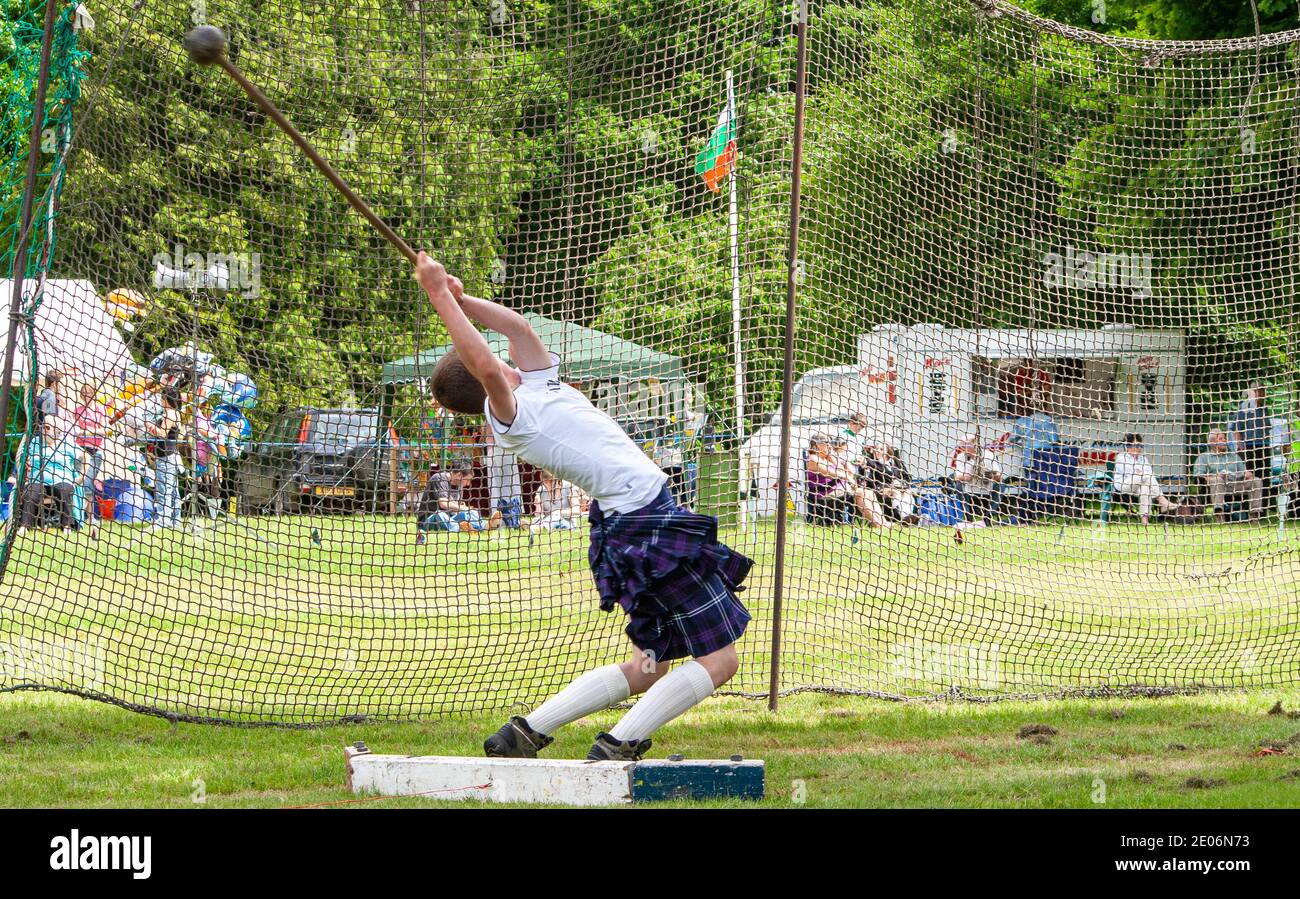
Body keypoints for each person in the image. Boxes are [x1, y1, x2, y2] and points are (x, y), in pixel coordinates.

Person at [415, 254, 752, 762]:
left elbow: (518, 327)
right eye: (491, 365)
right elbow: (485, 363)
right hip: (644, 521)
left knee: (649, 665)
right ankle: (618, 746)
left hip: (636, 520)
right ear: (486, 382)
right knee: (720, 660)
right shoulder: (513, 417)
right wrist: (439, 296)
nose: (504, 359)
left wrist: (462, 298)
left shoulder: (539, 384)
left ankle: (522, 735)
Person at [806, 434, 889, 527]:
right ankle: (877, 524)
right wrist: (847, 477)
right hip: (823, 495)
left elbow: (844, 470)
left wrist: (832, 457)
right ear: (817, 445)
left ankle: (883, 522)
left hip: (836, 490)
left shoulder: (827, 458)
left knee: (869, 493)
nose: (830, 446)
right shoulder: (813, 459)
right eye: (827, 443)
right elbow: (831, 473)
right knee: (860, 494)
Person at [10, 422, 79, 534]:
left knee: (64, 490)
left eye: (47, 427)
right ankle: (24, 526)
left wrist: (79, 478)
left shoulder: (67, 443)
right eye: (42, 427)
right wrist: (25, 462)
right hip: (37, 479)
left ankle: (66, 526)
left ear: (57, 430)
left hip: (61, 479)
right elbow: (24, 457)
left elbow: (85, 457)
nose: (43, 429)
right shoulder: (35, 442)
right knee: (29, 493)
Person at [416, 460, 502, 537]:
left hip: (450, 518)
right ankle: (461, 528)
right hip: (428, 520)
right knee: (440, 514)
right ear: (459, 475)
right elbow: (443, 503)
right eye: (467, 480)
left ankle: (485, 526)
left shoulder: (459, 485)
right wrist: (463, 508)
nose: (468, 484)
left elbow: (456, 509)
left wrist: (467, 511)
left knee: (469, 512)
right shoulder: (438, 478)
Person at [1193, 428, 1262, 523]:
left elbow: (1245, 471)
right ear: (1212, 443)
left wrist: (1247, 473)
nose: (1225, 440)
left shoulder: (1234, 456)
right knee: (1218, 480)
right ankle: (1219, 515)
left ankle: (1254, 515)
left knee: (1256, 480)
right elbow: (1199, 476)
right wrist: (1216, 476)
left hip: (1236, 484)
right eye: (1221, 439)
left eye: (1225, 438)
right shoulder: (1204, 457)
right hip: (1217, 487)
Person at [1113, 433, 1178, 525]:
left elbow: (1149, 473)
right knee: (1146, 476)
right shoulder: (1121, 457)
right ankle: (1162, 500)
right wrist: (1141, 473)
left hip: (1138, 486)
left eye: (1140, 445)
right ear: (1127, 446)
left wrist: (1141, 473)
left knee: (1145, 488)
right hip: (1124, 486)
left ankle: (1145, 520)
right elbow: (1131, 473)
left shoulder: (1143, 459)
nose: (1139, 448)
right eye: (1137, 445)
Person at [145, 389, 183, 529]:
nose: (160, 401)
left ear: (166, 400)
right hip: (169, 455)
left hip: (166, 456)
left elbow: (162, 434)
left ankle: (163, 520)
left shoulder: (170, 414)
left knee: (163, 489)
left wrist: (150, 425)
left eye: (162, 398)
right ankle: (175, 520)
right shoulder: (175, 413)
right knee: (172, 490)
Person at [951, 433, 1004, 526]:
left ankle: (988, 518)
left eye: (964, 445)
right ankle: (968, 518)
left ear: (974, 444)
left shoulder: (989, 455)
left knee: (1001, 485)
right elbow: (956, 476)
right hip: (969, 488)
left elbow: (999, 477)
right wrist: (966, 476)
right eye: (961, 445)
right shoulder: (960, 457)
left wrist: (987, 474)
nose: (962, 448)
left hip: (986, 487)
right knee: (958, 485)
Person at [480, 423, 524, 528]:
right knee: (497, 486)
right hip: (496, 451)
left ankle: (511, 517)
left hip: (503, 451)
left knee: (507, 486)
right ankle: (502, 519)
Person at [861, 441, 917, 524]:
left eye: (881, 449)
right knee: (896, 493)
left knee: (908, 492)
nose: (878, 451)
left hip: (900, 487)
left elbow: (908, 478)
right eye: (876, 449)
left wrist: (900, 482)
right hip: (881, 489)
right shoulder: (872, 463)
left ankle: (907, 516)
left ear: (887, 451)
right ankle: (903, 518)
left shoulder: (897, 462)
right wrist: (868, 451)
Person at [1231, 384, 1271, 485]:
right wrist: (1241, 448)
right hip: (1249, 448)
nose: (1262, 393)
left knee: (1264, 478)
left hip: (1263, 448)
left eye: (1263, 391)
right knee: (1248, 480)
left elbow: (1267, 429)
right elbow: (1236, 428)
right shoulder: (1244, 407)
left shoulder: (1264, 409)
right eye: (1259, 391)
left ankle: (1264, 500)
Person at [1012, 405, 1059, 476]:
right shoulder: (1048, 420)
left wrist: (1022, 442)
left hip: (1029, 457)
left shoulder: (1022, 421)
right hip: (1045, 457)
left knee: (1031, 480)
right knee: (1045, 482)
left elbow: (1013, 438)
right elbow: (1054, 439)